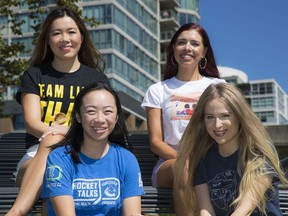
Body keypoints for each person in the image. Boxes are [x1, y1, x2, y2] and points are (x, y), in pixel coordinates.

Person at [6, 7, 110, 216]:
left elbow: (104, 123)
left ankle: (16, 212)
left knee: (56, 181)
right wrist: (63, 135)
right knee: (52, 151)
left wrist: (69, 137)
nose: (65, 39)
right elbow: (33, 123)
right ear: (48, 39)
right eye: (56, 33)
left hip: (83, 153)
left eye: (71, 32)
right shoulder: (34, 75)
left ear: (81, 37)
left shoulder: (96, 80)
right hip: (38, 155)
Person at [174, 83, 288, 215]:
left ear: (239, 116)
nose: (217, 125)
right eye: (210, 117)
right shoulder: (203, 159)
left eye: (225, 116)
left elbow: (244, 209)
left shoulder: (259, 152)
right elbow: (205, 210)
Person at [141, 22, 225, 189]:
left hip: (213, 162)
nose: (187, 48)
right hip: (171, 164)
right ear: (173, 49)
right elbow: (156, 142)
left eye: (195, 44)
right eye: (181, 42)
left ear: (204, 51)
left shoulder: (218, 86)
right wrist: (186, 160)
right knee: (185, 168)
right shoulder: (158, 90)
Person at [41, 82, 144, 216]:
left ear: (117, 117)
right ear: (78, 116)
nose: (100, 119)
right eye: (91, 111)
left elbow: (132, 213)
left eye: (108, 111)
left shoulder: (126, 159)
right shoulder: (59, 158)